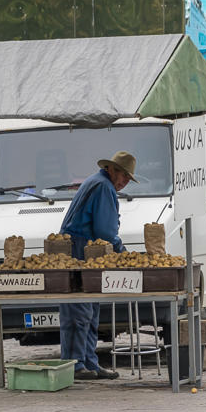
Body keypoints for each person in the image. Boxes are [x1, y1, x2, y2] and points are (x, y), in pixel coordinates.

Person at [58, 151, 136, 381]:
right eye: (122, 175)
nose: (124, 182)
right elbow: (106, 231)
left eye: (128, 179)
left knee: (90, 310)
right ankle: (74, 365)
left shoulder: (98, 182)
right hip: (79, 249)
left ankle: (89, 362)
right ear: (111, 169)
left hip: (85, 249)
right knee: (79, 310)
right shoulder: (103, 187)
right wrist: (123, 254)